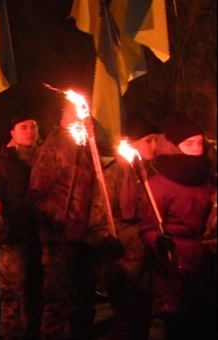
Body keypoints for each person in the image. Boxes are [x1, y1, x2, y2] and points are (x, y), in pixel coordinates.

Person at [140, 114, 216, 340]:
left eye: (200, 143)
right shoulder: (159, 184)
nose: (196, 149)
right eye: (189, 144)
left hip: (204, 263)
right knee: (176, 326)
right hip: (173, 264)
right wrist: (158, 242)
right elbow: (147, 227)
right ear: (174, 147)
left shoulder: (206, 180)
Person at [28, 98, 97, 339]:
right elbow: (36, 193)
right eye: (76, 113)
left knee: (85, 302)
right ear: (64, 118)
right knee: (57, 303)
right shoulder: (53, 147)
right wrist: (57, 215)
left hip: (86, 236)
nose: (82, 118)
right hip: (60, 239)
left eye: (85, 114)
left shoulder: (89, 148)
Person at [88, 114, 162, 340]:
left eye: (155, 139)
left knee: (143, 323)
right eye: (148, 140)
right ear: (133, 143)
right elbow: (97, 220)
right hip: (123, 264)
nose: (154, 145)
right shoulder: (112, 175)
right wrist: (106, 241)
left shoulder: (151, 173)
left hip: (148, 264)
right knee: (126, 325)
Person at [0, 114, 43, 339]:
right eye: (24, 127)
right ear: (13, 133)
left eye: (33, 126)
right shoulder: (2, 163)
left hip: (42, 239)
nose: (30, 131)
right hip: (14, 239)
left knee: (37, 296)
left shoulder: (46, 158)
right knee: (13, 300)